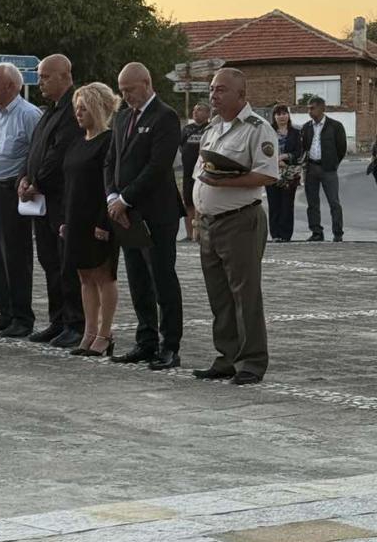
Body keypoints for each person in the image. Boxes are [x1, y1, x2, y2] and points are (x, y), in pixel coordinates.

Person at [191, 68, 278, 385]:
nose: (213, 95)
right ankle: (227, 357)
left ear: (241, 95)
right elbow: (201, 174)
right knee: (219, 295)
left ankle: (251, 361)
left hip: (240, 220)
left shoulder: (257, 129)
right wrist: (197, 213)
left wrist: (226, 182)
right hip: (209, 223)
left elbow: (268, 175)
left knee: (245, 294)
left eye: (221, 90)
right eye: (212, 89)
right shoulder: (212, 128)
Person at [105, 62, 184, 370]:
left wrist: (125, 198)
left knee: (162, 279)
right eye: (122, 91)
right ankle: (146, 340)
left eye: (130, 90)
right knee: (138, 280)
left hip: (156, 213)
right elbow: (110, 161)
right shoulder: (123, 117)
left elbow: (157, 166)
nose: (126, 96)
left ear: (147, 83)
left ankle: (170, 345)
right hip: (126, 214)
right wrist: (113, 197)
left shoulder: (165, 116)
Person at [20, 54, 85, 347]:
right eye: (39, 77)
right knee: (49, 262)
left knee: (65, 263)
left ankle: (75, 323)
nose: (40, 83)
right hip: (41, 199)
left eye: (46, 77)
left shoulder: (72, 109)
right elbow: (34, 149)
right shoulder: (49, 111)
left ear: (65, 76)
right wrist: (24, 177)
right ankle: (57, 320)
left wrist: (36, 182)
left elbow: (58, 155)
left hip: (61, 199)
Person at [0, 62, 42, 338]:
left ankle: (22, 317)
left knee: (15, 256)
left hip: (11, 191)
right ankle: (4, 313)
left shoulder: (29, 114)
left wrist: (27, 179)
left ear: (11, 86)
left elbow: (36, 152)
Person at [62, 83, 120, 357]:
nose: (78, 113)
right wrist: (65, 219)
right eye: (77, 108)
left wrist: (103, 222)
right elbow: (69, 182)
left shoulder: (109, 141)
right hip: (76, 217)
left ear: (97, 109)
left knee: (103, 275)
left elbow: (108, 184)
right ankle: (89, 331)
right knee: (84, 277)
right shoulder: (77, 140)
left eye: (84, 108)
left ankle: (105, 334)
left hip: (98, 217)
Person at [300, 96, 347, 242]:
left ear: (322, 108)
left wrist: (333, 163)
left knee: (334, 202)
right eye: (308, 108)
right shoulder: (306, 127)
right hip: (311, 168)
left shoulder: (335, 126)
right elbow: (304, 147)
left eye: (312, 108)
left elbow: (341, 148)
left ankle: (338, 233)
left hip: (328, 169)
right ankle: (316, 232)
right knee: (312, 203)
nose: (310, 111)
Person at [266, 104, 302, 242]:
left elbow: (298, 152)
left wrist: (284, 157)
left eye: (284, 113)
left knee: (287, 204)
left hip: (289, 173)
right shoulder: (267, 132)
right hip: (271, 172)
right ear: (274, 117)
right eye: (278, 114)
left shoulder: (295, 132)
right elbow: (262, 150)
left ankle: (286, 235)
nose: (282, 117)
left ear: (288, 115)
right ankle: (275, 234)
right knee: (274, 203)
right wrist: (275, 161)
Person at [179, 102, 211, 241]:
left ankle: (200, 233)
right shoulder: (187, 129)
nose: (195, 112)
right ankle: (189, 234)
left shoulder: (210, 128)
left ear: (208, 113)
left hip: (204, 173)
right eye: (194, 110)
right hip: (188, 172)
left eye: (199, 110)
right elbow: (180, 145)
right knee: (188, 203)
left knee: (202, 203)